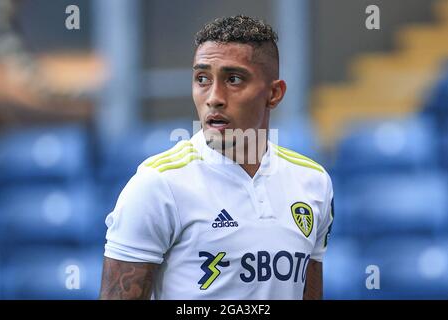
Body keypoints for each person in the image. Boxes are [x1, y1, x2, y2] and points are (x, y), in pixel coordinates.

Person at [99, 15, 334, 300]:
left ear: (274, 93)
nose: (214, 97)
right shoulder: (158, 184)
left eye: (233, 79)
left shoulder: (313, 181)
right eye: (202, 79)